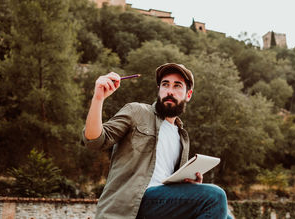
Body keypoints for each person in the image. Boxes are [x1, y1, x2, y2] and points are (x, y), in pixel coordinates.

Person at [83, 63, 234, 219]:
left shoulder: (182, 137)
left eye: (177, 86)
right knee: (215, 197)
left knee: (227, 216)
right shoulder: (137, 112)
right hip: (134, 202)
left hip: (163, 206)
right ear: (159, 89)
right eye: (165, 84)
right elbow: (94, 141)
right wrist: (98, 98)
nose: (169, 91)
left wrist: (190, 186)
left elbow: (172, 185)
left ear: (188, 95)